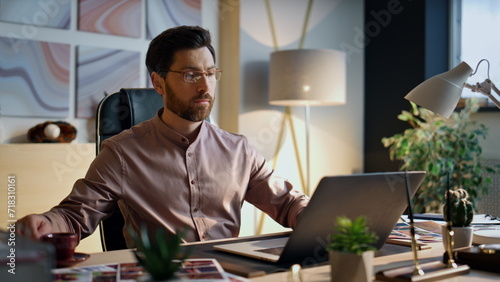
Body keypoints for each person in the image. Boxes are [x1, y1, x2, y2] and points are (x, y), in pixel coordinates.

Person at [17, 25, 309, 247]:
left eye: (210, 73)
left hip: (227, 273)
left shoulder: (238, 150)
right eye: (191, 75)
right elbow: (73, 216)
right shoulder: (122, 153)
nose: (205, 87)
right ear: (158, 82)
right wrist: (45, 222)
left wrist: (322, 216)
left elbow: (287, 203)